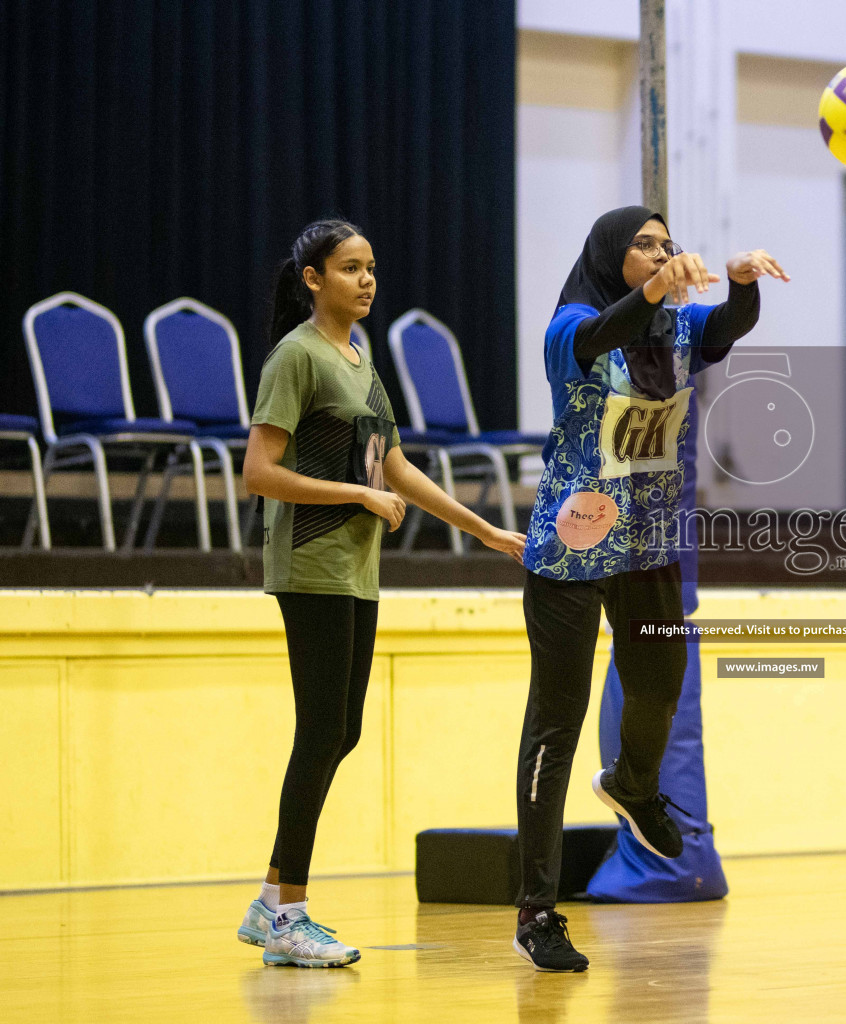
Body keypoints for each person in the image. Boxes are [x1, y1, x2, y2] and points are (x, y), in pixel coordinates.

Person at [238, 219, 526, 967]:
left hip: (355, 569)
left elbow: (394, 466)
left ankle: (272, 902)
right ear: (312, 279)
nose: (365, 281)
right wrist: (352, 496)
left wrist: (483, 529)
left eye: (371, 268)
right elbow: (259, 472)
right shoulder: (295, 357)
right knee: (320, 732)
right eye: (348, 269)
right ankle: (286, 910)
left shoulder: (360, 359)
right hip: (310, 563)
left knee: (343, 732)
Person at [513, 206, 788, 972]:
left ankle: (634, 785)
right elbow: (600, 335)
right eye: (644, 244)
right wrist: (658, 288)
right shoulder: (569, 324)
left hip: (652, 540)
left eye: (667, 244)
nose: (661, 253)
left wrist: (739, 285)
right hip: (573, 541)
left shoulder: (675, 329)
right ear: (611, 254)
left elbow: (727, 327)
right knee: (555, 722)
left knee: (660, 685)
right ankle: (537, 910)